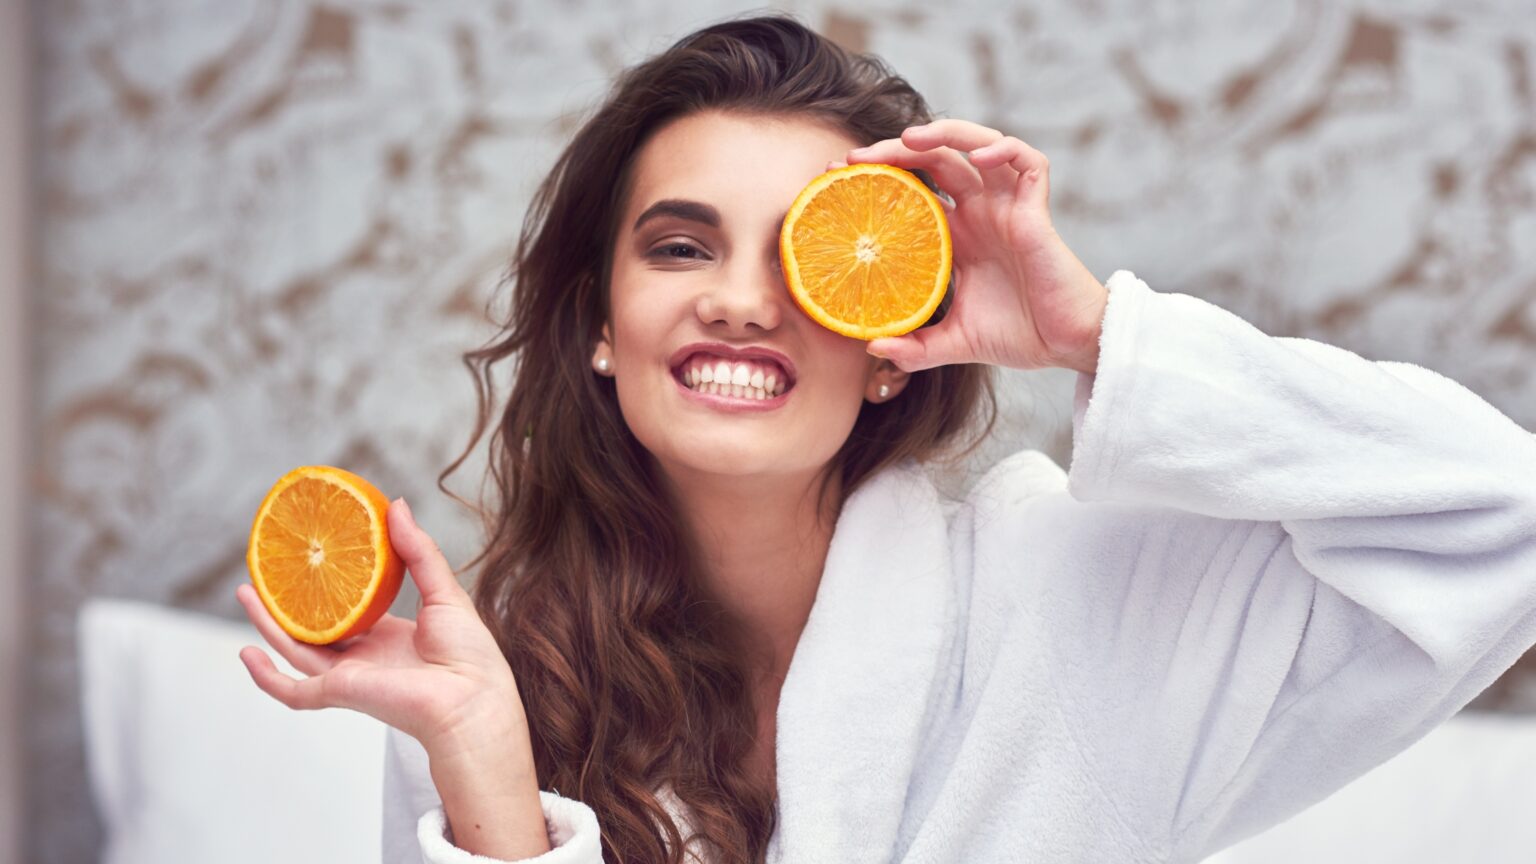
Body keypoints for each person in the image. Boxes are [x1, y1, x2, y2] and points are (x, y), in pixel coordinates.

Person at [235, 14, 1536, 864]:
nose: (741, 300)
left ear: (884, 342)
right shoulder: (498, 681)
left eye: (806, 258)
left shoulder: (1075, 610)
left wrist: (1100, 336)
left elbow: (1505, 515)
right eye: (681, 246)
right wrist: (488, 781)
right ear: (599, 327)